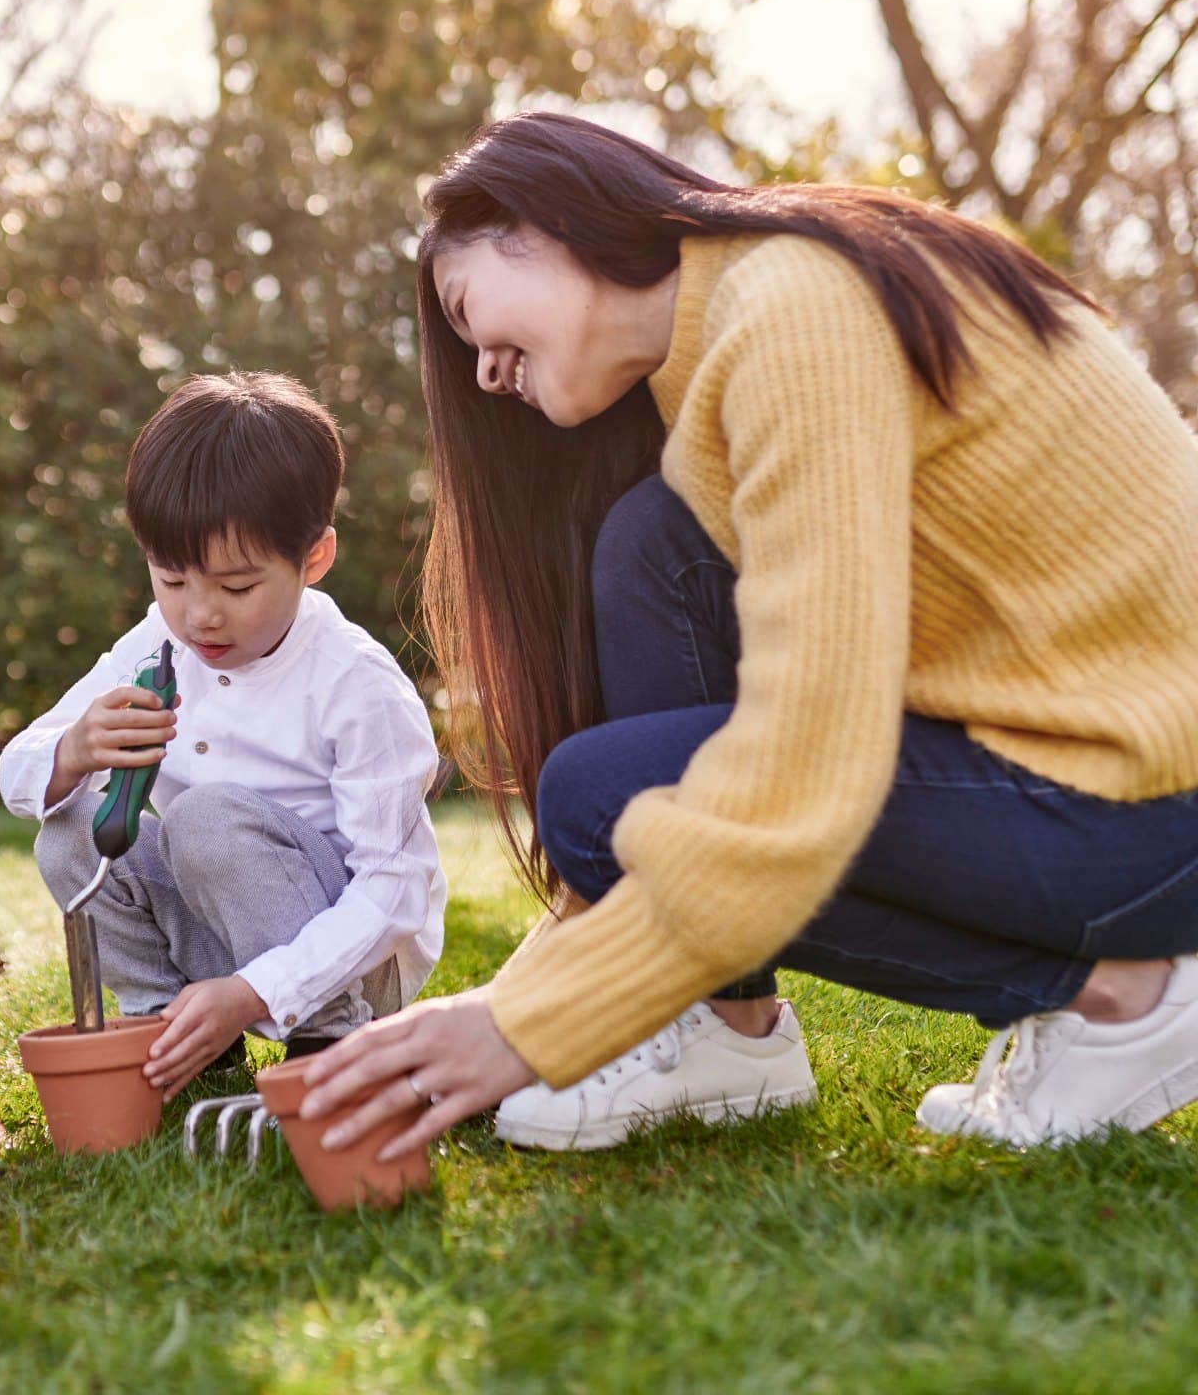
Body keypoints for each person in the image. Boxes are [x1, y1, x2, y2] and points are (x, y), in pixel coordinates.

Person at [297, 110, 1198, 1161]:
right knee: (650, 545)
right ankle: (729, 1026)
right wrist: (533, 992)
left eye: (465, 309)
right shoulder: (740, 326)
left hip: (1147, 805)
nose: (483, 372)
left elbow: (809, 760)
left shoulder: (792, 317)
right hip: (1101, 780)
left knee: (605, 796)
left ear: (540, 227)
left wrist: (520, 1025)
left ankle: (1123, 993)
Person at [0, 372, 446, 1102]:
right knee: (69, 829)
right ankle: (173, 1033)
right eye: (172, 580)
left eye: (236, 588)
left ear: (314, 559)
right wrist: (74, 749)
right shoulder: (154, 645)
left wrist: (255, 990)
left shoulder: (357, 686)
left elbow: (393, 893)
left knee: (205, 816)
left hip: (349, 960)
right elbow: (18, 771)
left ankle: (326, 1040)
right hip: (218, 934)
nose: (200, 614)